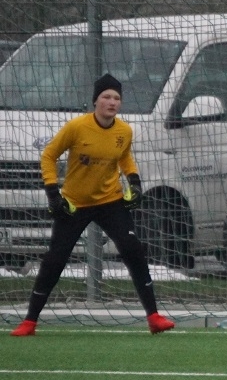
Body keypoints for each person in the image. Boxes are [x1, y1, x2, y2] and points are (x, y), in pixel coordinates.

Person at [10, 74, 175, 336]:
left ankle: (154, 317)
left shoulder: (124, 131)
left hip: (110, 201)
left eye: (116, 98)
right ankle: (30, 321)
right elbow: (49, 155)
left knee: (132, 249)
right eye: (106, 97)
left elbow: (124, 157)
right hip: (75, 203)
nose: (112, 102)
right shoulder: (77, 127)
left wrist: (134, 183)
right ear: (95, 101)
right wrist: (53, 194)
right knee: (55, 259)